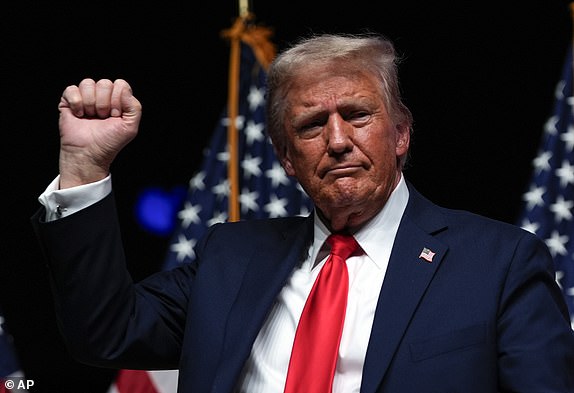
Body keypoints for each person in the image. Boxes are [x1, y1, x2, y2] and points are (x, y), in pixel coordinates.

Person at [31, 33, 574, 392]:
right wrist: (84, 166)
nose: (337, 141)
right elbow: (103, 333)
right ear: (287, 158)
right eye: (311, 125)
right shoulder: (231, 257)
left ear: (402, 133)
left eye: (358, 115)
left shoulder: (499, 264)